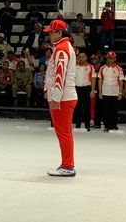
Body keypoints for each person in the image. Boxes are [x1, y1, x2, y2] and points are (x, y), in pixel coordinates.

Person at [42, 19, 78, 177]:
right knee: (65, 132)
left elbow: (60, 74)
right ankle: (67, 163)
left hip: (62, 97)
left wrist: (55, 97)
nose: (49, 35)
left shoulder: (62, 49)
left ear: (59, 33)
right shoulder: (63, 47)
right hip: (65, 95)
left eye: (51, 32)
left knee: (63, 133)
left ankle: (68, 165)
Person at [98, 51, 124, 132]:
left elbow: (121, 81)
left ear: (115, 59)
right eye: (109, 58)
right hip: (105, 92)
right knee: (105, 110)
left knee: (114, 110)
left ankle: (114, 125)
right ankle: (106, 125)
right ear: (106, 58)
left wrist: (120, 93)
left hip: (115, 92)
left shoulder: (118, 68)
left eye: (112, 58)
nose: (110, 60)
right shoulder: (102, 68)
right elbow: (100, 80)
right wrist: (100, 92)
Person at [73, 52, 93, 130]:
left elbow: (93, 78)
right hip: (77, 88)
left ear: (86, 58)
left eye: (83, 57)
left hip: (86, 88)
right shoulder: (75, 67)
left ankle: (87, 125)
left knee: (86, 107)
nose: (81, 58)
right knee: (77, 107)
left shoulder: (90, 67)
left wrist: (92, 90)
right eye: (80, 57)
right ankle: (78, 125)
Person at [89, 55, 103, 128]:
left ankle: (99, 119)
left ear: (98, 60)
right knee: (92, 105)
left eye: (95, 59)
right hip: (92, 89)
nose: (93, 60)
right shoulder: (90, 67)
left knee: (99, 105)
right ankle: (92, 119)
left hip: (99, 89)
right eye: (92, 59)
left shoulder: (101, 68)